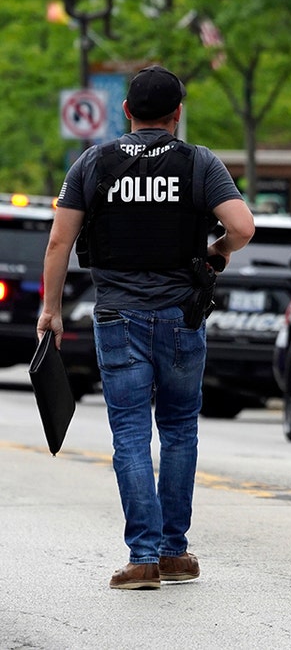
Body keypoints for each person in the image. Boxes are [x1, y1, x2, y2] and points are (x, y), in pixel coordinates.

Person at [38, 65, 255, 590]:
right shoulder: (200, 163)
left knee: (130, 434)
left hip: (117, 317)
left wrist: (51, 309)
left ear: (126, 112)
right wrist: (217, 253)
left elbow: (59, 243)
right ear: (177, 113)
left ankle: (143, 558)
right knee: (180, 429)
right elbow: (243, 226)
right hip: (183, 317)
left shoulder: (93, 163)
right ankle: (176, 551)